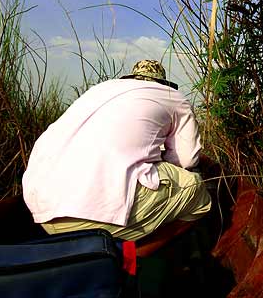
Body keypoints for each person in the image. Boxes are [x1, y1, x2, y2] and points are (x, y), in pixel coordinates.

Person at [22, 60, 211, 241]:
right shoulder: (172, 96)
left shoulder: (98, 90)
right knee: (195, 188)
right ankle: (139, 255)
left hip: (40, 210)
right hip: (91, 218)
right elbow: (187, 160)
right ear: (162, 81)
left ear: (131, 78)